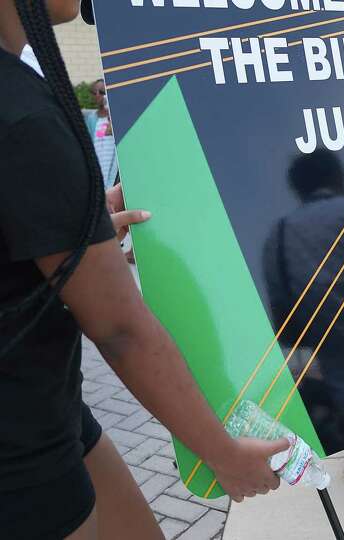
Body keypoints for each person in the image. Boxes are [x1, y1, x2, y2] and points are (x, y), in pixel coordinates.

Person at [0, 1, 289, 538]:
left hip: (50, 415)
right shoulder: (21, 111)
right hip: (21, 461)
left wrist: (79, 226)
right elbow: (121, 329)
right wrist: (223, 454)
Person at [82, 79, 117, 192]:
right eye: (94, 92)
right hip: (96, 172)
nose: (98, 95)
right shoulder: (91, 119)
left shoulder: (115, 117)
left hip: (112, 175)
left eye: (102, 91)